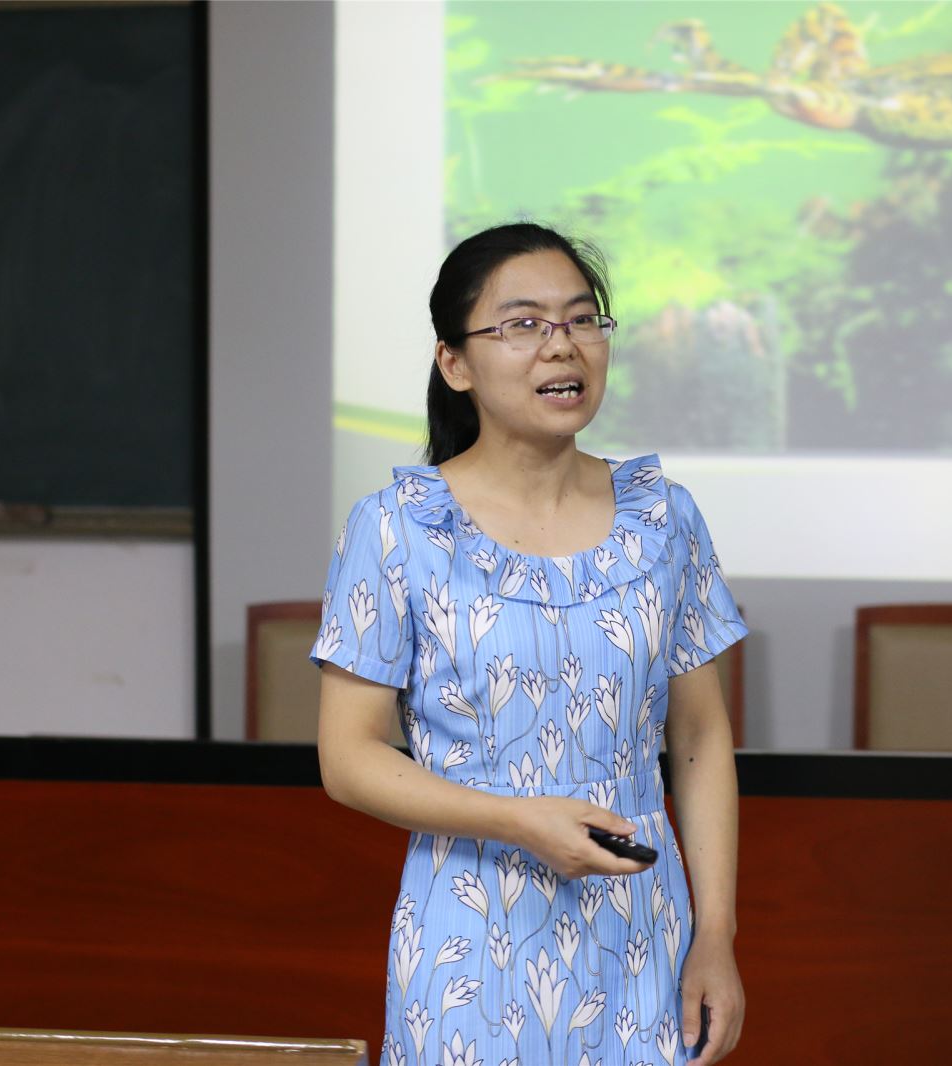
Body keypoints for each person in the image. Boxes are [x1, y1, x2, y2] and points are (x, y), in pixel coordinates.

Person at [314, 223, 747, 1066]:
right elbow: (348, 758)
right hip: (472, 937)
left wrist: (716, 935)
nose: (562, 345)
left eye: (583, 320)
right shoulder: (397, 528)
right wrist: (517, 819)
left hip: (641, 933)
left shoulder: (664, 518)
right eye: (524, 324)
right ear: (455, 363)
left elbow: (699, 737)